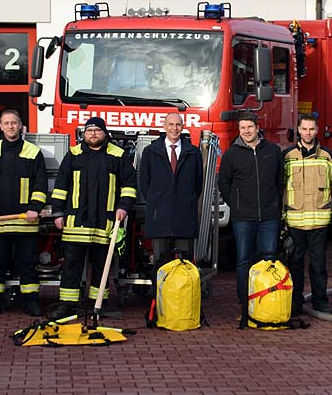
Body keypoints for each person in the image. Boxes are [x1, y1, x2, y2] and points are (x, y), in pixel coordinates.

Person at [49, 117, 137, 319]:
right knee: (71, 266)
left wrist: (123, 207)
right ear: (84, 134)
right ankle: (67, 305)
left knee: (101, 267)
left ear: (105, 133)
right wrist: (58, 213)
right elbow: (61, 186)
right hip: (75, 222)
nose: (94, 133)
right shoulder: (73, 155)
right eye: (90, 130)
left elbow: (129, 186)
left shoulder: (118, 155)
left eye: (98, 130)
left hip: (104, 223)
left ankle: (97, 304)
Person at [0, 109, 48, 317]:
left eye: (14, 123)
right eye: (6, 123)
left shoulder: (33, 152)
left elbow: (40, 185)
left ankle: (30, 301)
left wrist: (35, 208)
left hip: (25, 220)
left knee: (28, 264)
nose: (10, 127)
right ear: (0, 126)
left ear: (21, 125)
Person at [217, 113, 284, 307]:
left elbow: (280, 180)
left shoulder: (272, 151)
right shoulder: (231, 154)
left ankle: (268, 303)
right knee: (243, 261)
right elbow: (224, 183)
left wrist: (274, 203)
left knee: (269, 261)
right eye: (243, 128)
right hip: (243, 217)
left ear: (257, 128)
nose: (246, 131)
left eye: (250, 127)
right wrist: (235, 204)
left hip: (269, 216)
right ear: (239, 131)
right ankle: (245, 303)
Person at [282, 114, 332, 314]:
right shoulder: (287, 157)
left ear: (317, 130)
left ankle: (320, 302)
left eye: (311, 129)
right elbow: (280, 188)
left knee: (318, 266)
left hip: (319, 222)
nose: (308, 133)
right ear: (298, 130)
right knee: (295, 266)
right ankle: (296, 303)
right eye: (304, 129)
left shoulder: (327, 157)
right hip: (295, 222)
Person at [138, 112, 203, 266]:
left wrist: (186, 200)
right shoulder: (151, 151)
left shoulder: (193, 153)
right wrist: (157, 201)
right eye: (171, 125)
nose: (175, 128)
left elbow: (198, 183)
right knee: (161, 265)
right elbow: (144, 182)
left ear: (183, 127)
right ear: (164, 126)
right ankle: (159, 291)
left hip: (185, 217)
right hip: (159, 216)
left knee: (185, 265)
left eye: (178, 125)